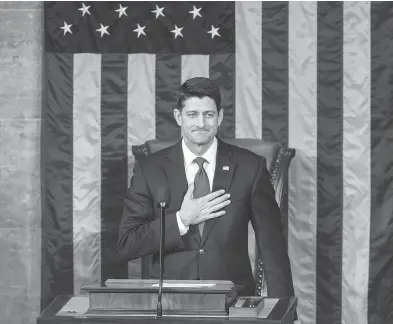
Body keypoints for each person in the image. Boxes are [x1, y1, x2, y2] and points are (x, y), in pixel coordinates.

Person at [117, 77, 295, 300]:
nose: (201, 123)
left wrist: (284, 311)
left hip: (233, 301)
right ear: (178, 117)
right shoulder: (150, 169)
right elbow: (127, 243)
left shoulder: (250, 167)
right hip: (170, 303)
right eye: (192, 114)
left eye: (208, 114)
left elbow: (272, 248)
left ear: (219, 116)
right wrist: (181, 220)